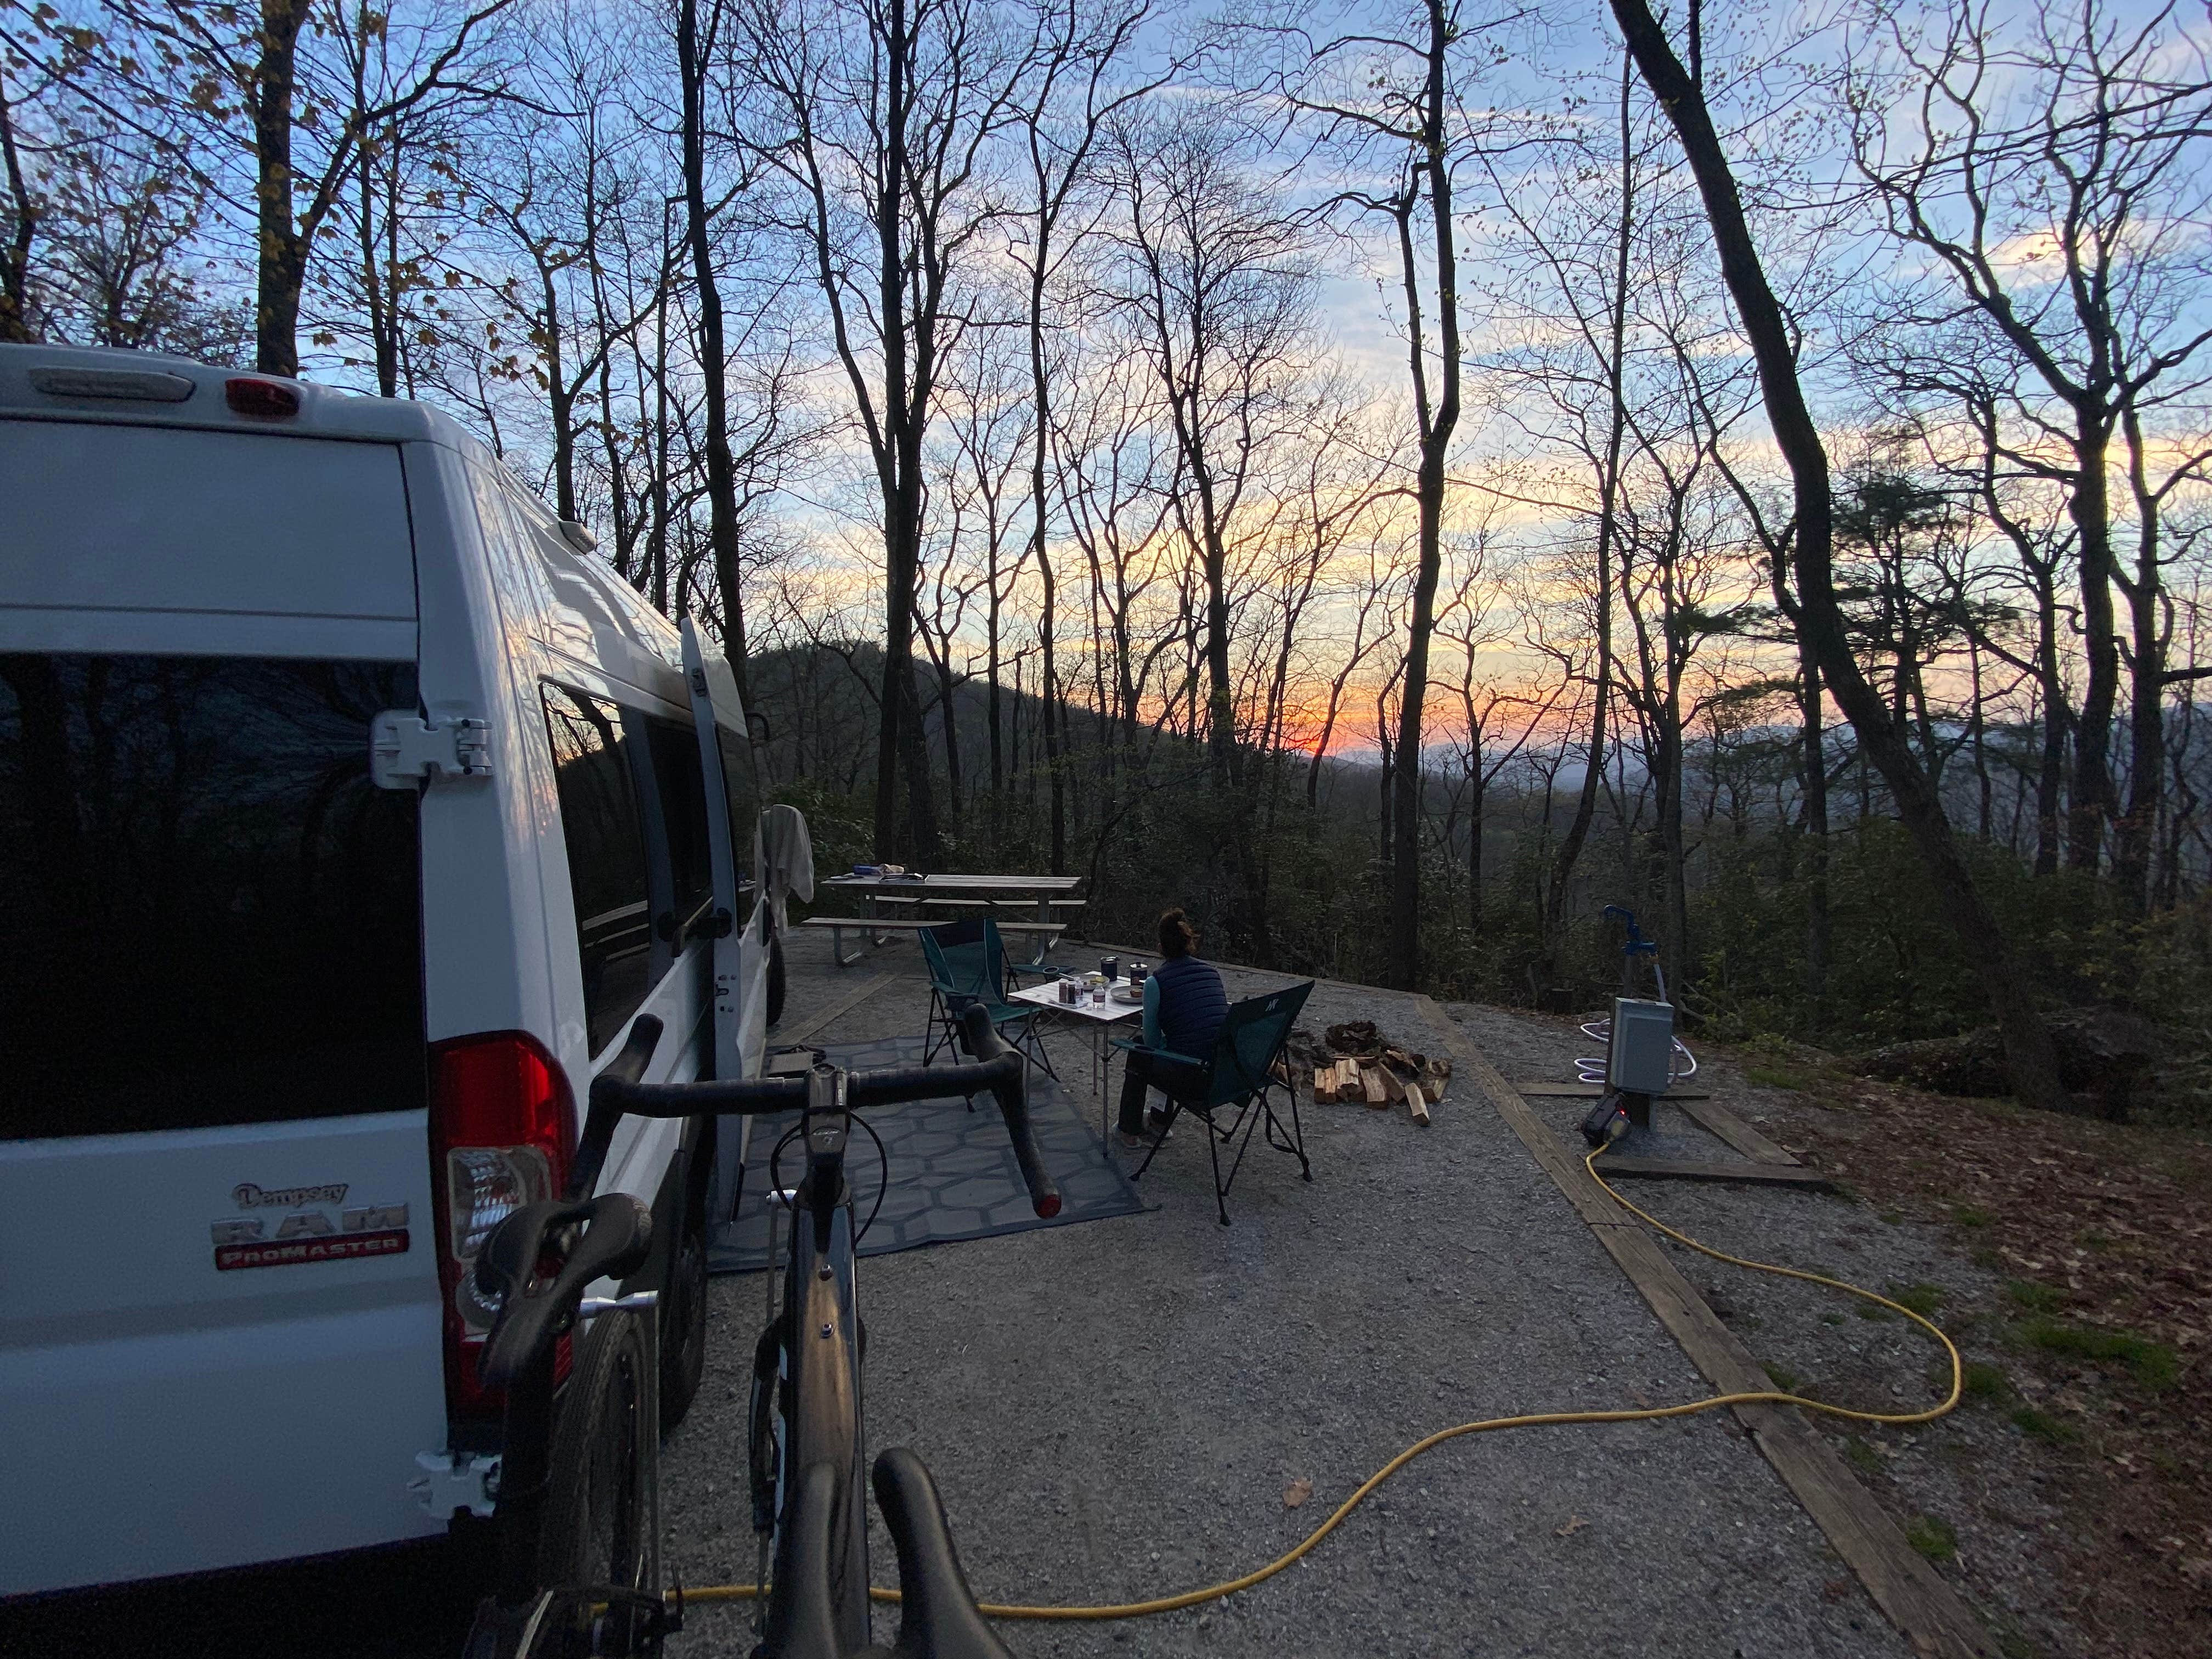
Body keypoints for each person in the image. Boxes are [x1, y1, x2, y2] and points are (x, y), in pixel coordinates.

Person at [1117, 907, 1227, 1148]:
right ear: (1189, 943)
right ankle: (1158, 1122)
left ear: (1160, 947)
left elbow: (1152, 1041)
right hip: (1225, 1073)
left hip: (1194, 1078)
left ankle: (1129, 1131)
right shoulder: (1212, 973)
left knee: (1140, 1052)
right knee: (1175, 1048)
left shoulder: (1156, 982)